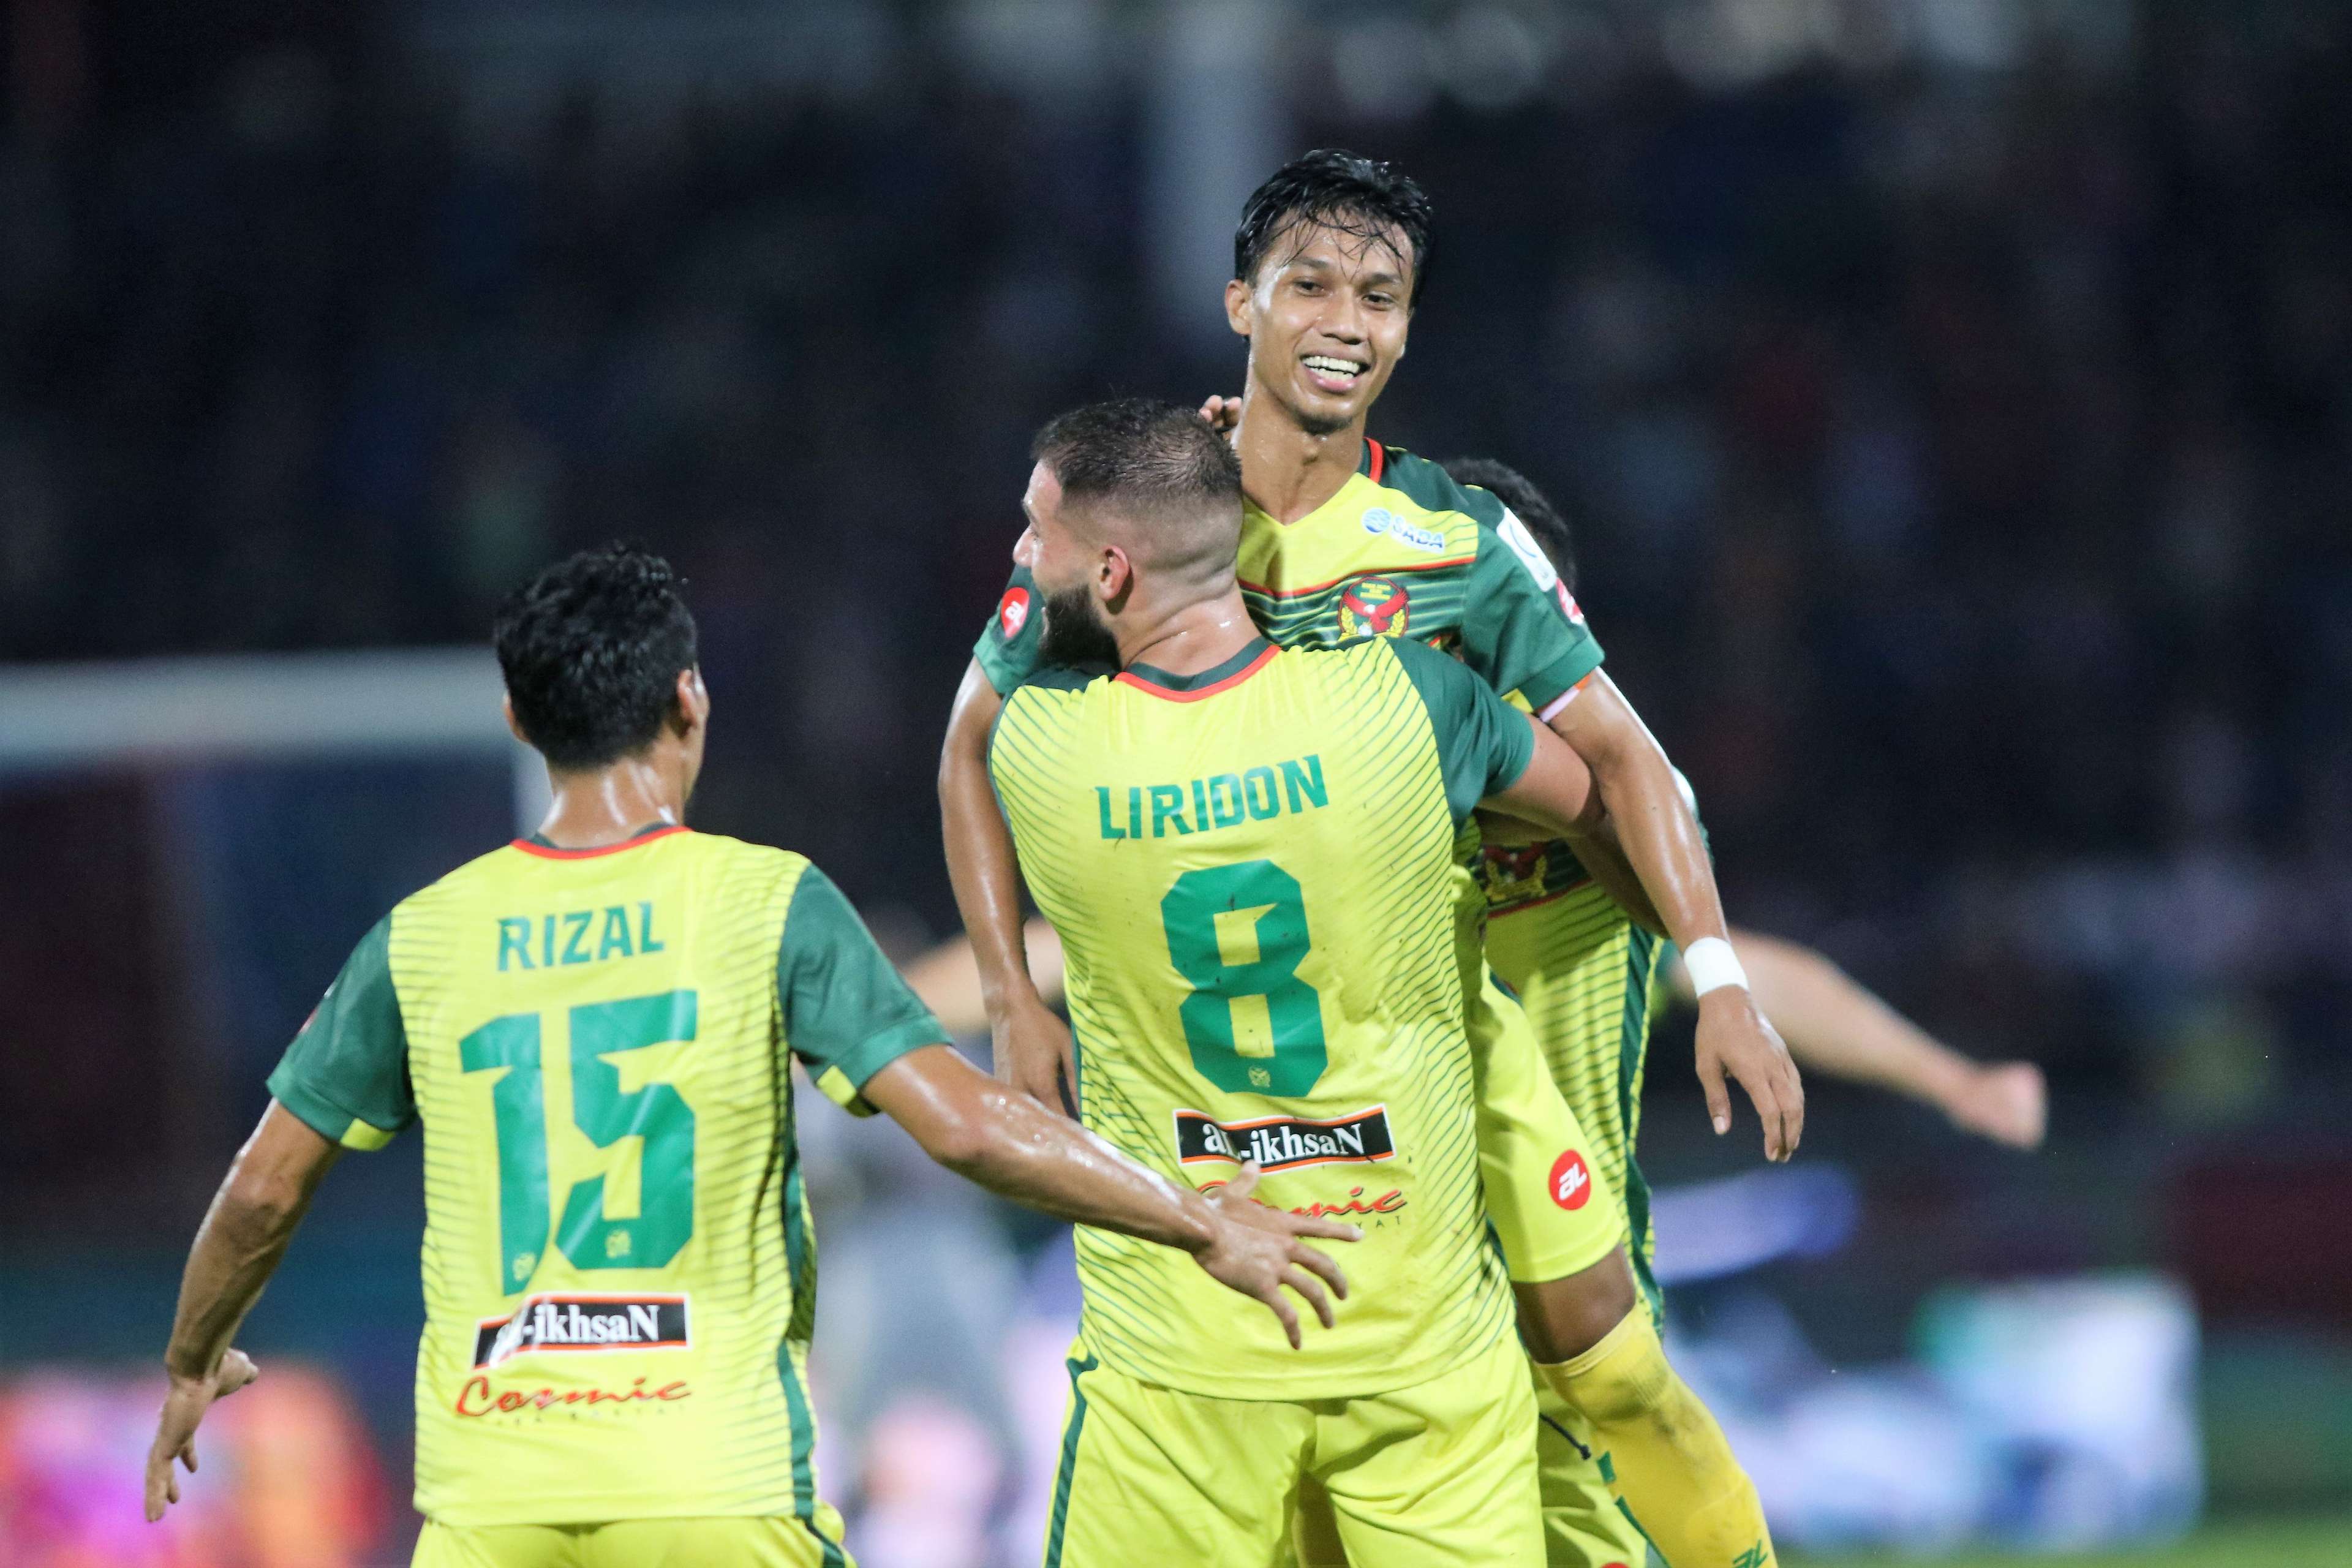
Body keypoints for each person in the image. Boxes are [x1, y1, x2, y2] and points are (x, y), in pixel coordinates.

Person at [143, 544, 1355, 1568]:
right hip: (713, 1488)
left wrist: (195, 1359)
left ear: (517, 718)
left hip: (490, 1505)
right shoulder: (767, 902)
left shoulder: (421, 935)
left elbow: (263, 1182)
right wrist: (1199, 1217)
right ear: (692, 700)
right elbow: (970, 1125)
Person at [940, 152, 1786, 1567]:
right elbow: (973, 738)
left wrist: (1718, 977)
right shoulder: (1149, 515)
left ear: (1406, 328)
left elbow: (1627, 766)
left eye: (1380, 295)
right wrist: (1014, 999)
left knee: (1604, 1366)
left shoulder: (1453, 535)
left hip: (1443, 1022)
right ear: (1242, 305)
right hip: (1226, 1059)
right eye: (1311, 284)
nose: (1346, 318)